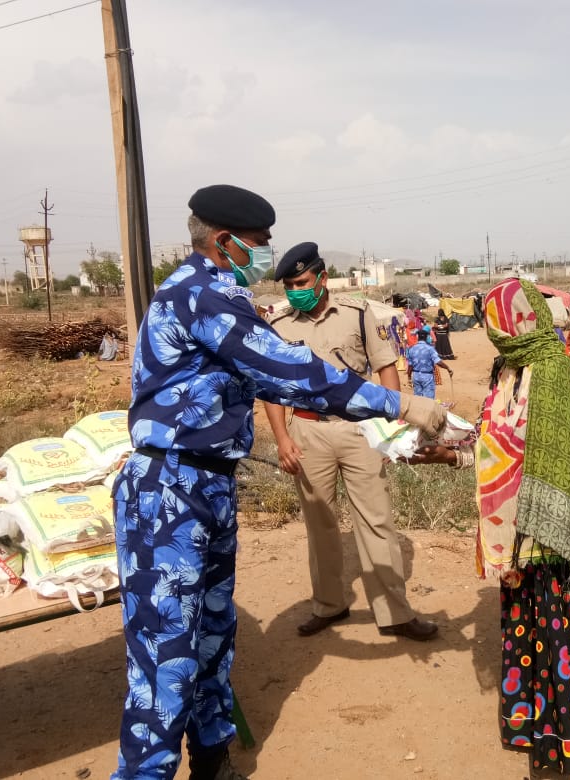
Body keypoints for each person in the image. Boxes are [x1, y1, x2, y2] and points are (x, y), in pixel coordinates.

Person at [111, 188, 446, 780]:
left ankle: (211, 762)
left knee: (212, 637)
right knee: (166, 660)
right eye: (260, 245)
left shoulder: (223, 294)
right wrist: (397, 404)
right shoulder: (200, 295)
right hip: (170, 491)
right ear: (225, 242)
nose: (265, 256)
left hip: (207, 485)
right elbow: (288, 370)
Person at [407, 278, 570, 775]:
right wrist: (450, 454)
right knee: (528, 627)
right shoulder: (508, 369)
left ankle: (562, 742)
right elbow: (494, 441)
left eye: (498, 325)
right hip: (513, 532)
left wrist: (547, 520)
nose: (495, 335)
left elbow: (560, 458)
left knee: (557, 627)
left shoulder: (554, 370)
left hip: (551, 533)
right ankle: (528, 725)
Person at [265, 241, 441, 644]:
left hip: (360, 430)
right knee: (319, 523)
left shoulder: (358, 315)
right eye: (289, 285)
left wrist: (391, 423)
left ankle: (395, 613)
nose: (295, 290)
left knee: (376, 519)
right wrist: (282, 439)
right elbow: (272, 391)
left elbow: (384, 368)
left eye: (301, 281)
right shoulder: (279, 328)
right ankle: (329, 605)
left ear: (322, 277)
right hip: (307, 433)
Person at [407, 324, 452, 398]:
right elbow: (438, 362)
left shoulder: (412, 349)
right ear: (426, 337)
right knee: (428, 400)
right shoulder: (430, 349)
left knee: (418, 398)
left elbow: (410, 366)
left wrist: (409, 377)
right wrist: (448, 368)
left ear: (417, 337)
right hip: (427, 376)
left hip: (416, 376)